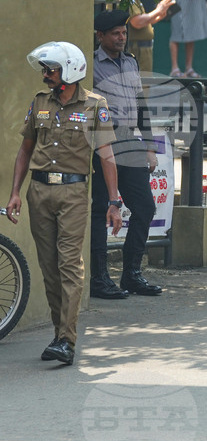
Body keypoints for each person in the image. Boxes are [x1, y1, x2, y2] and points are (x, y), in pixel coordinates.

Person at [5, 41, 122, 365]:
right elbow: (26, 150)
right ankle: (60, 335)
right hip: (39, 193)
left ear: (70, 71)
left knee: (69, 265)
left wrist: (114, 202)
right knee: (49, 268)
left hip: (72, 195)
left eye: (50, 70)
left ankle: (67, 341)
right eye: (45, 69)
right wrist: (16, 192)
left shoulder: (95, 105)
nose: (45, 75)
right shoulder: (40, 102)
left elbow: (106, 155)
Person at [90, 10, 163, 299]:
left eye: (124, 33)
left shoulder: (131, 62)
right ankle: (99, 279)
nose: (122, 38)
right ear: (101, 36)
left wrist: (149, 145)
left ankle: (131, 274)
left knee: (144, 207)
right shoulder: (92, 66)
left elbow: (141, 105)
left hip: (129, 140)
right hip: (101, 141)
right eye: (115, 34)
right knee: (99, 211)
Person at [104, 0, 175, 72]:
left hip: (141, 51)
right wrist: (158, 10)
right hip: (135, 51)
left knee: (144, 87)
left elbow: (141, 21)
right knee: (138, 86)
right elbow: (136, 22)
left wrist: (158, 16)